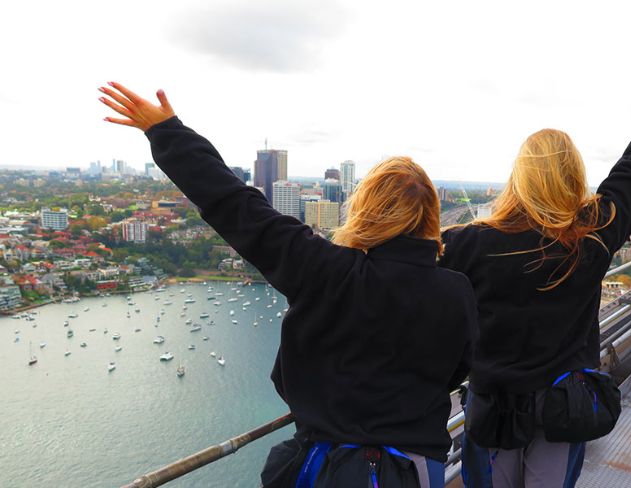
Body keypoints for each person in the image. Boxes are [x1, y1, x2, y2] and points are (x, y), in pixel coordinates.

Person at [98, 83, 478, 487]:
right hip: (414, 469)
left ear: (366, 210)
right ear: (430, 215)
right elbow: (458, 369)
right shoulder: (455, 291)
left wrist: (167, 131)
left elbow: (237, 205)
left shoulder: (326, 269)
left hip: (327, 465)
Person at [438, 25, 631, 488]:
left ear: (517, 178)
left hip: (492, 407)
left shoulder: (468, 243)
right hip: (562, 407)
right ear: (574, 175)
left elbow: (405, 282)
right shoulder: (590, 235)